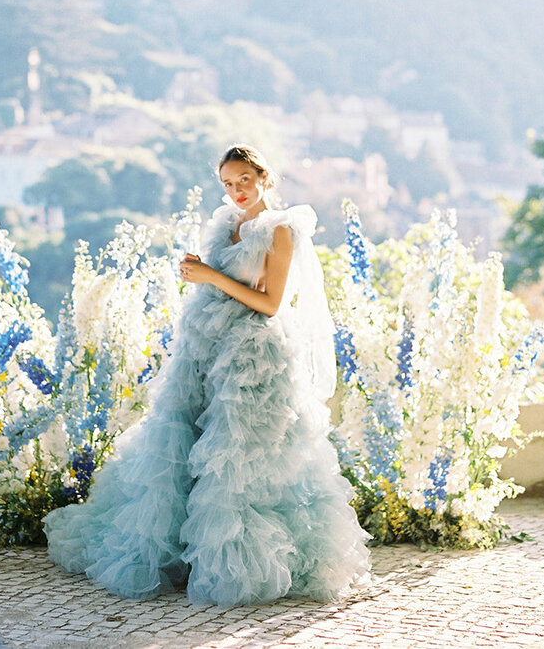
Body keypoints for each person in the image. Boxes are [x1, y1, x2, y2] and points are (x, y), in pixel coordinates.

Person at [43, 145, 372, 606]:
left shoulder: (280, 231)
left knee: (234, 460)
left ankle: (235, 563)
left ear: (265, 179)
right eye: (228, 183)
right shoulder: (223, 222)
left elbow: (270, 304)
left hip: (252, 356)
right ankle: (180, 554)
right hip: (203, 347)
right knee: (183, 445)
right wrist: (197, 271)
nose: (236, 191)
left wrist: (210, 277)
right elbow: (219, 278)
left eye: (244, 181)